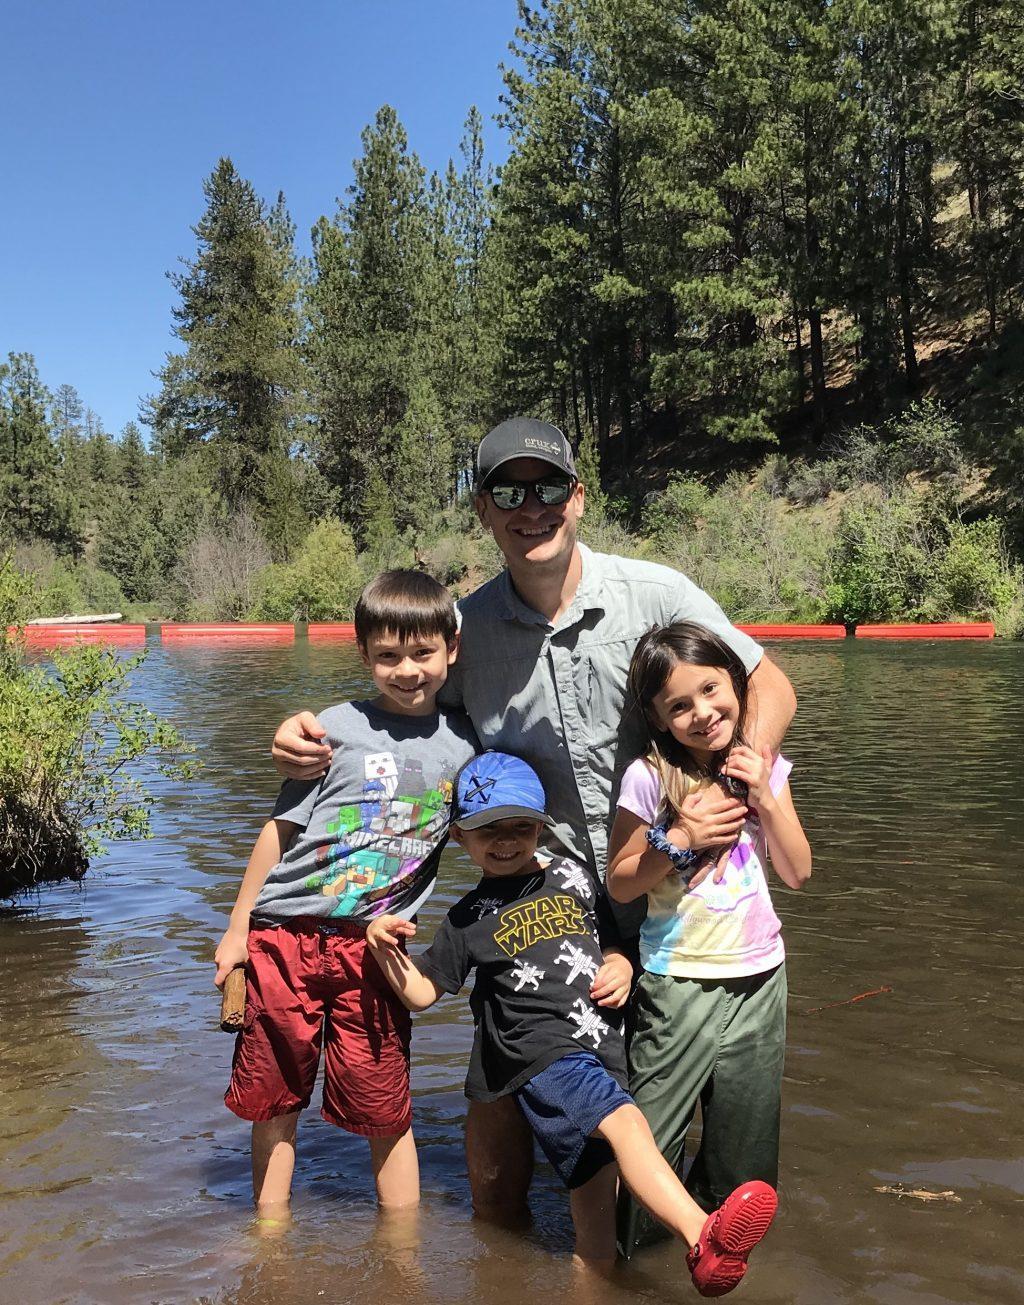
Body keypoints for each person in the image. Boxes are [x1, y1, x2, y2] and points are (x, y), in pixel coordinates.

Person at [270, 416, 798, 1222]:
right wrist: (309, 732)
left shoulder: (655, 593)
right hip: (542, 894)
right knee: (501, 1088)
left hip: (671, 892)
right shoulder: (465, 631)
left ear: (578, 496)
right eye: (507, 491)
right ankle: (504, 1249)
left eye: (549, 486)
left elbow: (769, 685)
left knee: (673, 1098)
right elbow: (401, 707)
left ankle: (675, 1236)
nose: (532, 507)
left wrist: (732, 790)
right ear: (482, 509)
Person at [366, 751, 779, 1294]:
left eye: (521, 826)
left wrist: (621, 961)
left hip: (600, 1045)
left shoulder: (572, 873)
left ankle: (592, 1288)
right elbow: (422, 992)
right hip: (542, 1052)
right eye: (487, 830)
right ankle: (702, 1235)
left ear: (542, 826)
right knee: (629, 1124)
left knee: (596, 1220)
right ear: (460, 839)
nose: (506, 840)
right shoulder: (467, 917)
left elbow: (608, 936)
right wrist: (379, 946)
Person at [213, 570, 478, 1219]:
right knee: (274, 1098)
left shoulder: (467, 743)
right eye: (388, 655)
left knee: (386, 1103)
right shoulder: (332, 728)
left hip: (376, 949)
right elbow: (279, 832)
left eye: (422, 653)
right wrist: (236, 930)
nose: (407, 669)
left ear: (451, 650)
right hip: (285, 937)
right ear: (364, 655)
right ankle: (269, 1237)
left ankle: (402, 1251)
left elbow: (494, 827)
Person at [606, 622, 812, 1256]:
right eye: (680, 706)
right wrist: (681, 840)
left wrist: (766, 797)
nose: (703, 713)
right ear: (657, 717)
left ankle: (724, 1253)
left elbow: (798, 872)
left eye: (712, 691)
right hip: (678, 980)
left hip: (761, 979)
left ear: (737, 688)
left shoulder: (764, 768)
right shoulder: (647, 777)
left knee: (745, 1142)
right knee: (655, 1129)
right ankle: (633, 1257)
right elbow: (619, 883)